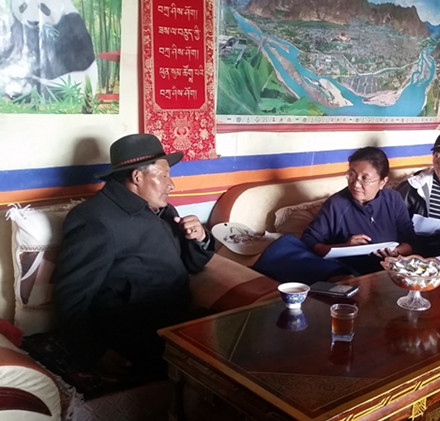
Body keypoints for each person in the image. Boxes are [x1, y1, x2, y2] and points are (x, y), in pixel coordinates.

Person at [52, 134, 214, 377]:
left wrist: (199, 238)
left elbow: (192, 265)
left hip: (175, 319)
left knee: (236, 330)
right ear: (137, 177)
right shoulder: (95, 219)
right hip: (136, 330)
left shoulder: (162, 210)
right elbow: (71, 294)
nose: (171, 184)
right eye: (164, 175)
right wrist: (94, 351)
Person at [254, 146, 416, 281]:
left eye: (365, 178)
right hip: (351, 273)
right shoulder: (337, 204)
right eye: (352, 175)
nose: (355, 184)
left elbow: (411, 239)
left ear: (382, 182)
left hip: (390, 271)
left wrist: (397, 252)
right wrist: (345, 246)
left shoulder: (393, 199)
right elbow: (310, 241)